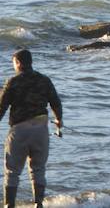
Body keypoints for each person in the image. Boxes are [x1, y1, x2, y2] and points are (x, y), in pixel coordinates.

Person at [2, 50, 62, 208]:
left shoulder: (12, 82)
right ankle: (38, 203)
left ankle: (9, 205)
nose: (14, 66)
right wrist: (59, 121)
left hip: (19, 129)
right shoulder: (44, 80)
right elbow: (56, 102)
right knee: (38, 169)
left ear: (19, 63)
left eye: (14, 63)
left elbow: (1, 107)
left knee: (12, 171)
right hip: (40, 129)